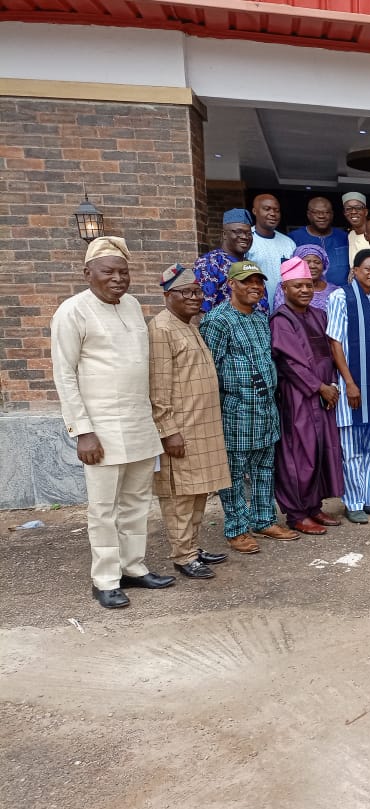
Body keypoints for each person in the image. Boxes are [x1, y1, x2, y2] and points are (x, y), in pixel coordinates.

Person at [52, 237, 171, 609]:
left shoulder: (133, 305)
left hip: (139, 422)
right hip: (100, 429)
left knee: (136, 502)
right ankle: (104, 579)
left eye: (123, 272)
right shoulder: (72, 311)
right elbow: (64, 375)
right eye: (108, 272)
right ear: (87, 273)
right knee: (103, 508)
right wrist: (82, 431)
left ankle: (132, 567)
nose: (118, 279)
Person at [201, 260, 299, 553]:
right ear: (232, 284)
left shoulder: (259, 318)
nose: (255, 287)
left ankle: (264, 520)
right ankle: (236, 529)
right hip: (236, 411)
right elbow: (209, 370)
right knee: (233, 474)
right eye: (247, 281)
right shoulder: (218, 320)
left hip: (265, 409)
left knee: (264, 470)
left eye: (258, 281)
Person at [149, 263, 232, 581]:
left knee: (198, 493)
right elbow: (158, 388)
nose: (195, 297)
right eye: (187, 292)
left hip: (202, 428)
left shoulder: (188, 324)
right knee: (180, 497)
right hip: (181, 430)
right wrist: (168, 431)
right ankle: (182, 555)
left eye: (197, 291)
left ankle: (192, 548)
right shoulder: (162, 329)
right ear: (168, 296)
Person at [270, 257, 344, 536]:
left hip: (323, 394)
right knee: (300, 454)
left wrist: (331, 383)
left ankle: (313, 506)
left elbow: (329, 353)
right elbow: (289, 363)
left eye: (308, 285)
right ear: (285, 288)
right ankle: (297, 513)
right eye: (298, 286)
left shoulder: (318, 315)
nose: (304, 290)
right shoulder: (281, 320)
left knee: (320, 450)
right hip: (299, 395)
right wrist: (319, 387)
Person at [326, 250, 370, 523]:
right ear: (354, 271)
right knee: (352, 447)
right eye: (368, 268)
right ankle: (353, 503)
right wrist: (350, 383)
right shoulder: (341, 297)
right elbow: (335, 342)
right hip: (352, 385)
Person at [195, 208, 260, 313]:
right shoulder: (208, 263)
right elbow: (202, 311)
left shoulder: (251, 266)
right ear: (224, 234)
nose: (245, 237)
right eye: (238, 232)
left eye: (249, 233)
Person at [247, 194, 297, 309]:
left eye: (276, 210)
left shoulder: (288, 243)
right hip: (255, 308)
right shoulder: (246, 239)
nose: (273, 213)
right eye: (267, 209)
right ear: (255, 211)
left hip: (284, 309)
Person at [289, 196, 350, 288]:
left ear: (332, 214)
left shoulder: (344, 237)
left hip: (342, 292)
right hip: (309, 293)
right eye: (316, 212)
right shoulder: (293, 238)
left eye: (326, 212)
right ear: (309, 214)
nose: (321, 216)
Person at [343, 192, 370, 266]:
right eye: (348, 209)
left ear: (365, 212)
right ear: (344, 213)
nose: (353, 212)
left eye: (358, 208)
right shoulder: (350, 235)